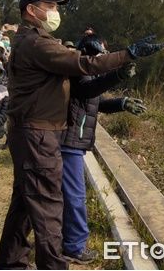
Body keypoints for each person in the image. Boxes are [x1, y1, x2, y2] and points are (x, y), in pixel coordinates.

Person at [0, 0, 164, 270]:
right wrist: (129, 54)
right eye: (50, 6)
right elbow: (84, 66)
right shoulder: (38, 44)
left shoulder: (34, 42)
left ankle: (11, 263)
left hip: (32, 132)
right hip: (39, 135)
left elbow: (89, 88)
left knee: (25, 203)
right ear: (31, 10)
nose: (55, 12)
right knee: (49, 207)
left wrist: (120, 93)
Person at [60, 32, 147, 265]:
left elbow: (96, 102)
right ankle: (74, 247)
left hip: (75, 143)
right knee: (75, 197)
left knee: (64, 196)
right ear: (89, 53)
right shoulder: (78, 72)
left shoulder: (88, 75)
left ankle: (61, 240)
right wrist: (118, 74)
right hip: (69, 143)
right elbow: (90, 90)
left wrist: (121, 103)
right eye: (101, 54)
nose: (103, 59)